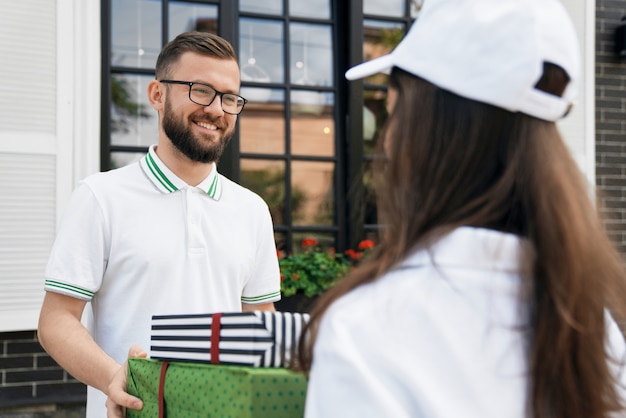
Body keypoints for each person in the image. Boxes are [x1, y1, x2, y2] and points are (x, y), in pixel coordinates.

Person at [299, 0, 626, 417]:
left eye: (395, 114)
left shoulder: (367, 329)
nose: (386, 141)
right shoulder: (591, 326)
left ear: (428, 134)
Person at [37, 31, 280, 418]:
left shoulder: (252, 210)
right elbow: (56, 320)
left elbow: (259, 321)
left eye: (230, 98)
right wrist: (116, 378)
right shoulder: (100, 197)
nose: (217, 109)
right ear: (157, 94)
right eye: (201, 90)